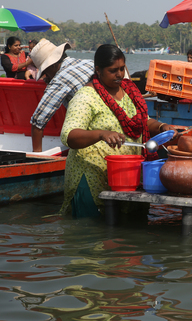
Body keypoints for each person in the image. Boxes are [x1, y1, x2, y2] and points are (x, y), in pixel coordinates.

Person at [59, 44, 175, 218]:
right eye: (113, 70)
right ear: (98, 70)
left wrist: (160, 127)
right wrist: (101, 134)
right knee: (93, 235)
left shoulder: (130, 92)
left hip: (128, 178)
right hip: (93, 177)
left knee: (126, 235)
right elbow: (69, 136)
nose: (120, 74)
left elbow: (142, 122)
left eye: (122, 69)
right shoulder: (86, 96)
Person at [29, 38, 95, 152]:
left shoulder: (60, 79)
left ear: (51, 66)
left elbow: (37, 121)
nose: (46, 77)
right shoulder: (89, 63)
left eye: (45, 72)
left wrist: (37, 157)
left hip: (90, 137)